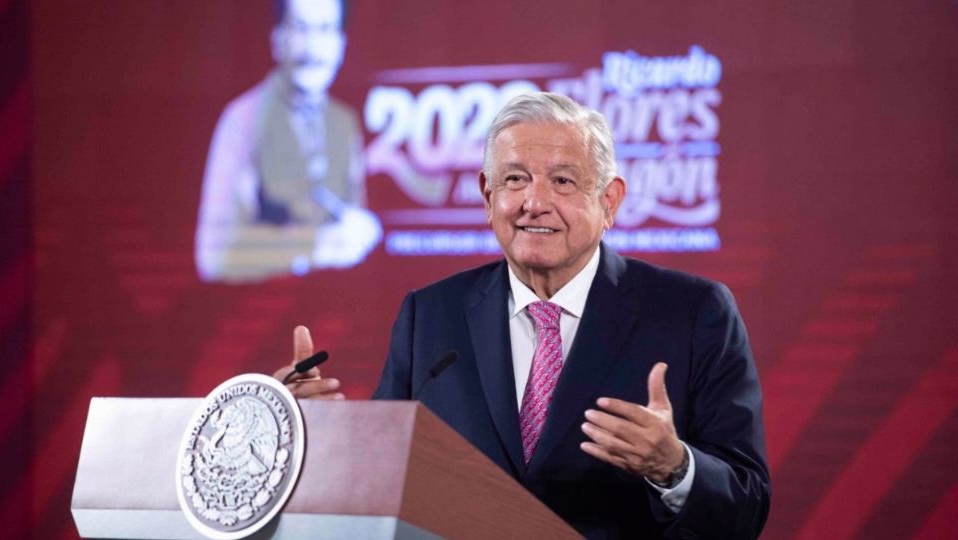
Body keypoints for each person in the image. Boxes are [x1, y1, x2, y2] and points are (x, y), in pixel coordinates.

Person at [274, 92, 770, 539]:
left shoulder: (693, 313)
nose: (535, 202)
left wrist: (674, 467)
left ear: (610, 201)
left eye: (562, 181)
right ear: (489, 198)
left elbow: (747, 504)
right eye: (515, 179)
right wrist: (319, 432)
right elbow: (383, 477)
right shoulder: (431, 315)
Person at [195, 0, 381, 283]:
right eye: (300, 28)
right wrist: (317, 246)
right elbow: (214, 254)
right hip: (260, 313)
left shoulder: (344, 123)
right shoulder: (244, 119)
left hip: (339, 313)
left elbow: (353, 227)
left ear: (341, 44)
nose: (313, 48)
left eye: (325, 29)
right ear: (277, 39)